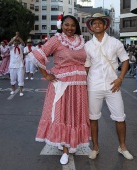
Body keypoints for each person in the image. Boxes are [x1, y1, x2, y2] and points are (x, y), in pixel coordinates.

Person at [29, 15, 90, 165]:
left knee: (76, 115)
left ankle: (73, 143)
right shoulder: (57, 39)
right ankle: (65, 149)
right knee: (63, 116)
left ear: (77, 27)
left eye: (73, 25)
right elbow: (38, 55)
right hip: (62, 85)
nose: (70, 28)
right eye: (66, 25)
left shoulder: (81, 41)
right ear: (61, 25)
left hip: (79, 85)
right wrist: (46, 74)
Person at [84, 13, 133, 160]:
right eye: (94, 23)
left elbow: (125, 60)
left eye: (100, 22)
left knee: (120, 117)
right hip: (94, 85)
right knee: (93, 118)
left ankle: (122, 147)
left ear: (105, 25)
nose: (97, 25)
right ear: (91, 27)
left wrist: (121, 79)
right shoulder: (87, 46)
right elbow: (86, 67)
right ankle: (95, 148)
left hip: (113, 85)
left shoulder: (115, 42)